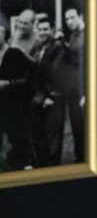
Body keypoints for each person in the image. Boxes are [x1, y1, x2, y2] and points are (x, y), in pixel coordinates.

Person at [29, 18, 67, 167]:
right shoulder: (38, 46)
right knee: (40, 133)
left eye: (46, 29)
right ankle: (44, 164)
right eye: (40, 29)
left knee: (54, 134)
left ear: (51, 30)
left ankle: (53, 168)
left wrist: (49, 95)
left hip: (53, 96)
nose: (43, 32)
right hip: (40, 95)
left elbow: (57, 74)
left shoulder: (58, 47)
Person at [0, 22, 35, 171]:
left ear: (4, 35)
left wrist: (8, 83)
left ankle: (27, 162)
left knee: (17, 132)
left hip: (13, 102)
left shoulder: (15, 53)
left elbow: (27, 77)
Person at [62, 7, 85, 162]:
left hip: (83, 88)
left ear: (79, 16)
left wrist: (86, 93)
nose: (69, 21)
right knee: (76, 124)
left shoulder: (87, 35)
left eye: (72, 17)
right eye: (67, 19)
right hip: (73, 88)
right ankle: (79, 157)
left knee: (85, 124)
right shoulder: (73, 35)